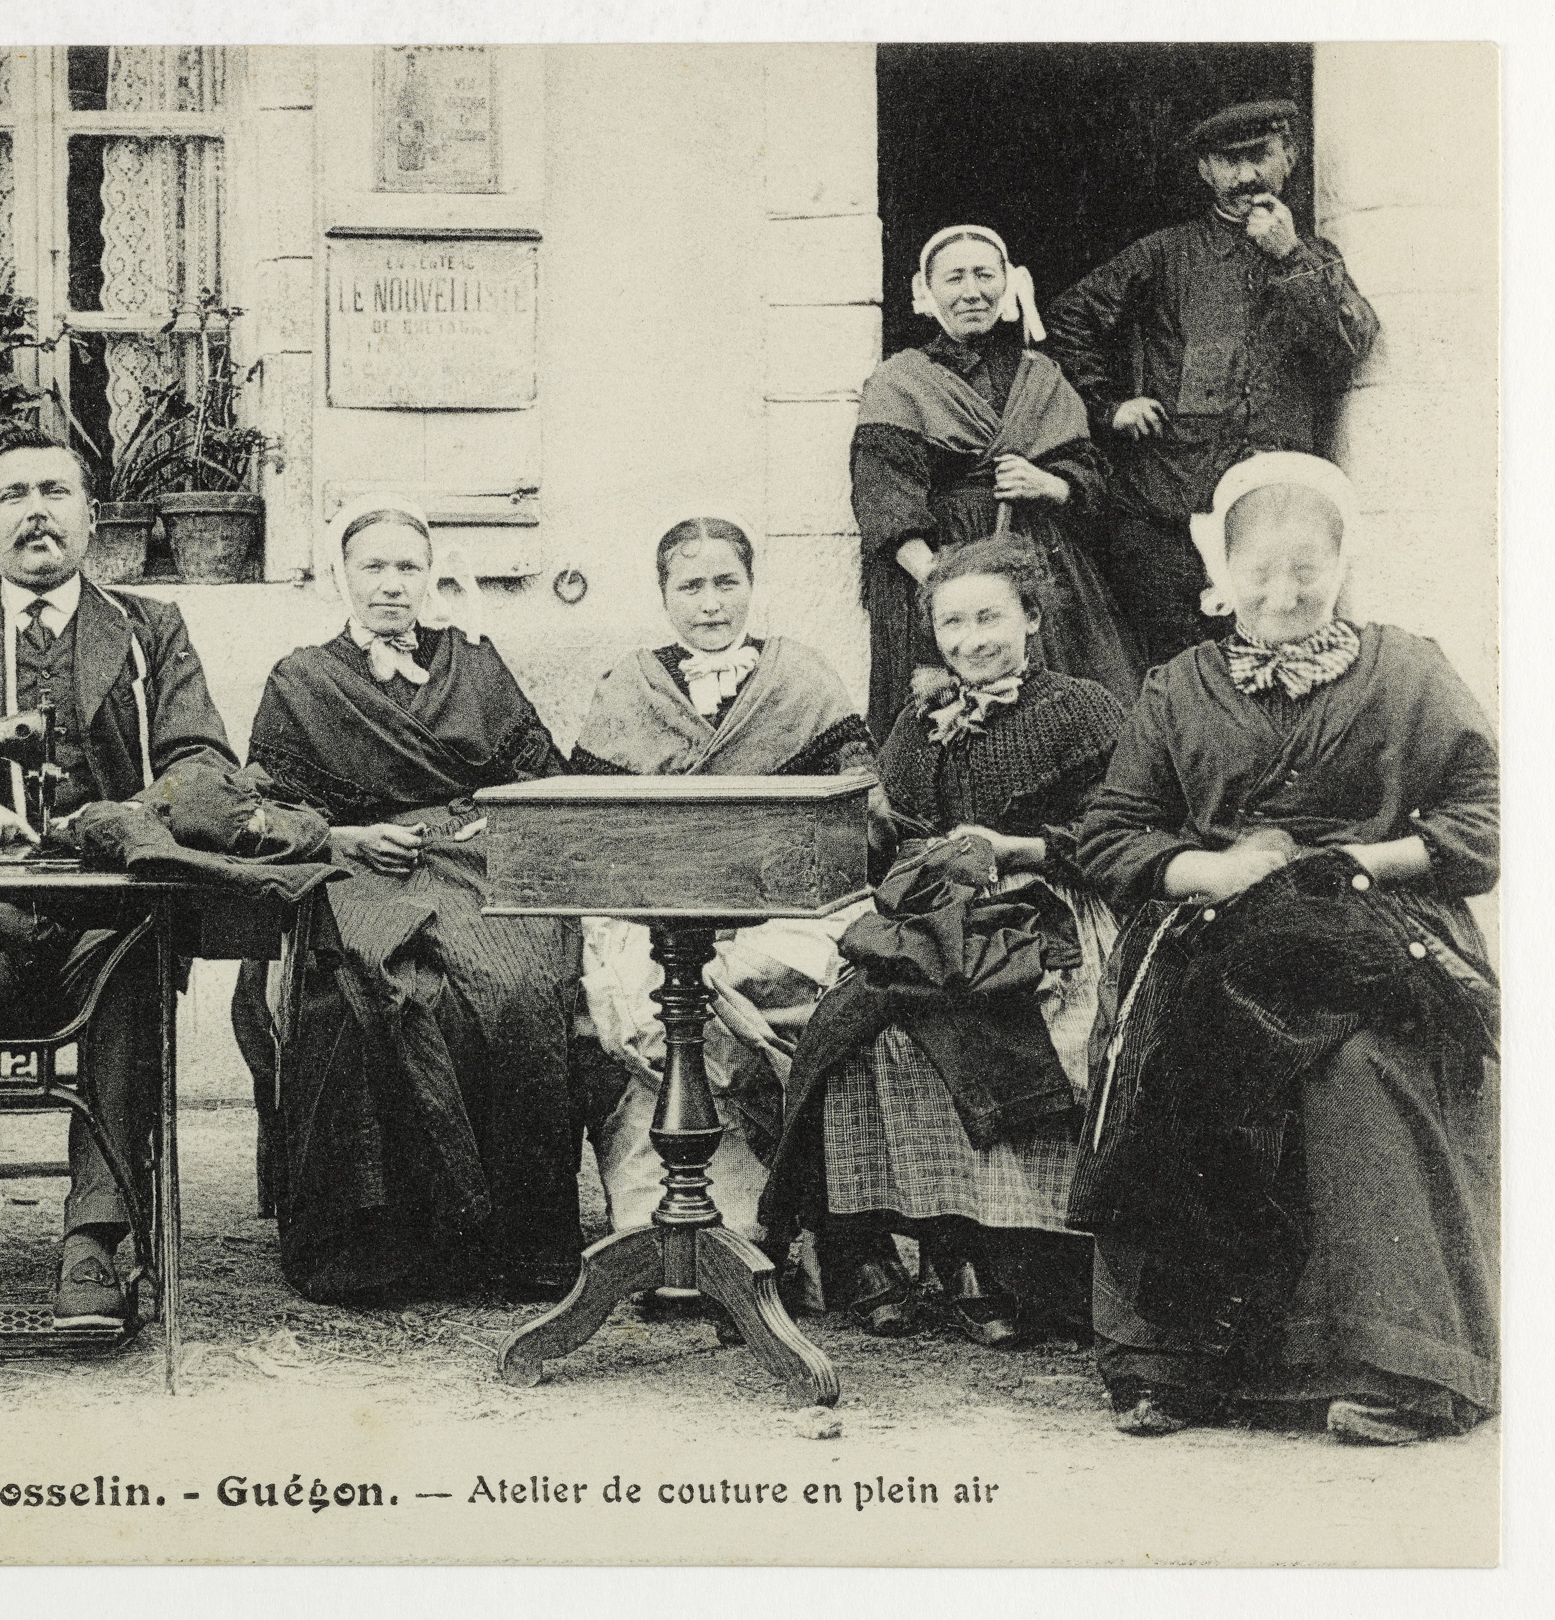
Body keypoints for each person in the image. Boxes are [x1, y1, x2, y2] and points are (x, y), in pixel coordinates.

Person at [1072, 453, 1497, 1444]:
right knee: (1179, 1055)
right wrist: (1205, 870)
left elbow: (1488, 814)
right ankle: (1174, 1365)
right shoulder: (1176, 687)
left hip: (1370, 925)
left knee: (1351, 1070)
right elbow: (1110, 829)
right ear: (1220, 573)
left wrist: (1368, 855)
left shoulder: (1409, 670)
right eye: (1258, 570)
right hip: (1214, 933)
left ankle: (1393, 1364)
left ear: (1343, 562)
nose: (1283, 592)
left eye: (1307, 567)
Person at [0, 430, 238, 1336]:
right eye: (13, 496)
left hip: (105, 921)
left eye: (54, 491)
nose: (35, 512)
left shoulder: (149, 631)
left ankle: (95, 1247)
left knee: (129, 989)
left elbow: (205, 765)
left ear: (90, 516)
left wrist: (123, 820)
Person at [761, 539, 1128, 1349]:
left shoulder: (1084, 708)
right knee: (859, 1030)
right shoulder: (920, 717)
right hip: (938, 918)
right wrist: (875, 829)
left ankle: (1003, 1262)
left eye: (989, 617)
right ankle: (904, 1247)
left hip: (1052, 909)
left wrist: (1017, 849)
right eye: (952, 623)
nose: (970, 640)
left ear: (1032, 617)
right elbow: (891, 842)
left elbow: (1120, 834)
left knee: (997, 1023)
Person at [238, 494, 582, 1304]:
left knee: (517, 993)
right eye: (373, 567)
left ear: (429, 576)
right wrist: (344, 839)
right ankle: (376, 1243)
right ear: (342, 576)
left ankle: (506, 1242)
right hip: (361, 864)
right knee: (370, 993)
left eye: (408, 567)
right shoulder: (303, 678)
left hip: (471, 861)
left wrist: (483, 824)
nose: (391, 584)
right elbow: (268, 803)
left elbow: (537, 777)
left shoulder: (475, 662)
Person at [567, 514, 874, 1262]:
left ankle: (763, 1231)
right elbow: (590, 828)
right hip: (653, 911)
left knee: (761, 978)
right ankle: (661, 1233)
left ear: (750, 587)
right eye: (691, 586)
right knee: (644, 1001)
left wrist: (759, 898)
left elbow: (858, 819)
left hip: (784, 909)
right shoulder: (629, 686)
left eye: (726, 583)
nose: (711, 604)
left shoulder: (800, 678)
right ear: (664, 596)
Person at [1046, 101, 1380, 668]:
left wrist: (1290, 255)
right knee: (1180, 675)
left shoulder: (1314, 259)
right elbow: (1068, 319)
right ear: (1205, 170)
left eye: (1261, 156)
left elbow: (1350, 348)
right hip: (1166, 512)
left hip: (1270, 518)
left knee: (1275, 663)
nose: (1247, 175)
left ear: (1290, 157)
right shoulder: (1165, 254)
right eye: (1230, 161)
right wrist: (1108, 406)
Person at [853, 224, 1140, 740]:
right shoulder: (899, 381)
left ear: (1008, 283)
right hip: (939, 565)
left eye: (985, 275)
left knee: (1064, 704)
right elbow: (885, 499)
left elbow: (1089, 473)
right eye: (954, 277)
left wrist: (1046, 484)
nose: (971, 291)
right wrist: (945, 586)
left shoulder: (1042, 373)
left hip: (1039, 558)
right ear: (928, 290)